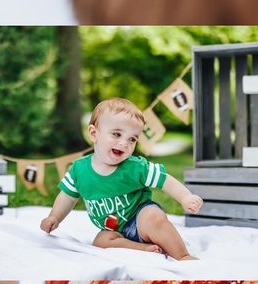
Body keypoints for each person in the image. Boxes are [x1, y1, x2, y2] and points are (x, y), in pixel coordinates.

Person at [40, 98, 203, 260]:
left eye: (132, 139)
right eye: (117, 134)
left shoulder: (135, 167)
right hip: (115, 231)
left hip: (139, 217)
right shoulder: (79, 170)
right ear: (93, 133)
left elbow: (165, 180)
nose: (125, 143)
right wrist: (54, 217)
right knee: (100, 241)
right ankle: (142, 248)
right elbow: (67, 197)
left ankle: (182, 256)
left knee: (154, 217)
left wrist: (185, 197)